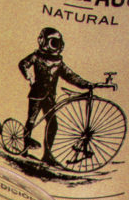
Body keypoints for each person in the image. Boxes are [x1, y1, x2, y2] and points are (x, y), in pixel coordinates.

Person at [19, 27, 96, 166]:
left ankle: (47, 156)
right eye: (52, 42)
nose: (55, 45)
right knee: (31, 120)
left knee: (52, 124)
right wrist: (30, 78)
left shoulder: (58, 63)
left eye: (57, 42)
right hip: (36, 95)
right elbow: (23, 64)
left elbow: (71, 76)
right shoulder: (36, 57)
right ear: (43, 42)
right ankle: (24, 149)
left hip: (50, 98)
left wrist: (87, 84)